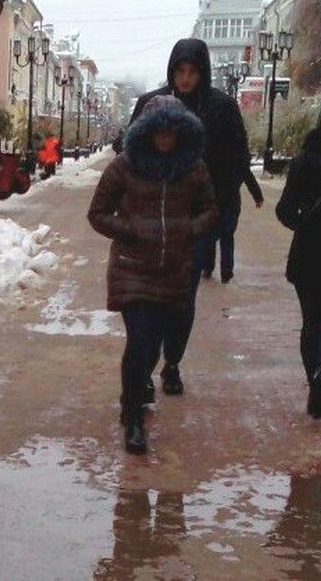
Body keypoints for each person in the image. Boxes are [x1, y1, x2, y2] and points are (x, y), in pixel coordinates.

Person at [120, 39, 253, 394]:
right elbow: (129, 155)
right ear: (172, 70)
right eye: (180, 71)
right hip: (152, 221)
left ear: (203, 72)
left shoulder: (221, 108)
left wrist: (216, 210)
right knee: (147, 301)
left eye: (193, 72)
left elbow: (237, 158)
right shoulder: (152, 104)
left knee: (181, 301)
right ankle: (144, 369)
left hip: (194, 226)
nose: (186, 79)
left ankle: (173, 362)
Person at [88, 96, 217, 453]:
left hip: (173, 270)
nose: (164, 138)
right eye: (158, 131)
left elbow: (209, 211)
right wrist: (128, 229)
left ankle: (134, 390)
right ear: (147, 131)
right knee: (140, 341)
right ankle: (133, 419)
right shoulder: (125, 166)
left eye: (171, 131)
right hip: (133, 268)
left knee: (153, 348)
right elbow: (97, 213)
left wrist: (188, 230)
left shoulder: (193, 169)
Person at [275, 123, 321, 418]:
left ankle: (315, 378)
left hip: (308, 256)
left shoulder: (304, 161)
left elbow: (284, 210)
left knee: (312, 323)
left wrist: (305, 226)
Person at [203, 167, 264, 282]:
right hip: (231, 200)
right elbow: (247, 173)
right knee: (227, 236)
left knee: (210, 235)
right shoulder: (237, 154)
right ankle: (226, 272)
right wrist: (257, 196)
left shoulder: (210, 151)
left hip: (212, 199)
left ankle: (208, 267)